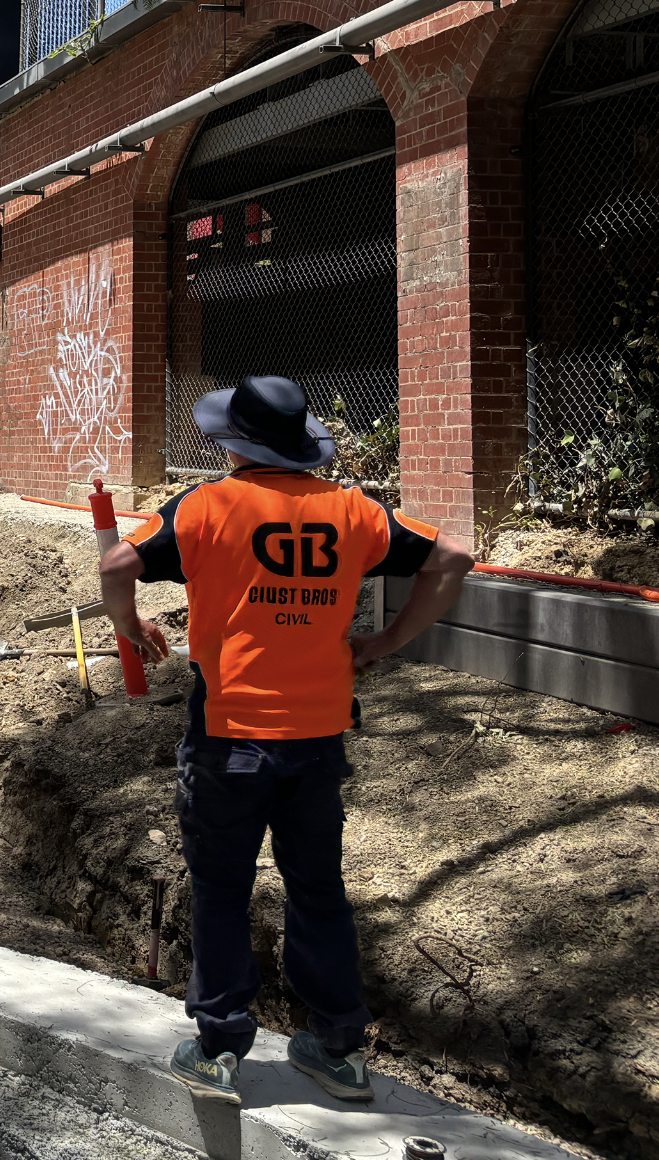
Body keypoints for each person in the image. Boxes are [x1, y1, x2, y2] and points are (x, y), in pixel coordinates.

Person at [99, 375, 473, 1108]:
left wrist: (130, 626)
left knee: (220, 888)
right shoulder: (351, 511)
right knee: (316, 887)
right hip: (318, 736)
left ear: (231, 446)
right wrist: (391, 638)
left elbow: (117, 564)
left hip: (228, 735)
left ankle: (218, 1049)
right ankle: (338, 1050)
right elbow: (453, 556)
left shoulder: (206, 506)